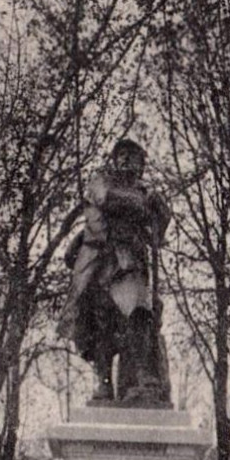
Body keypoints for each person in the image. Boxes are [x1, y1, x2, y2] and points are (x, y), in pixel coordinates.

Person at [58, 139, 172, 404]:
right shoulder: (100, 181)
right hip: (100, 260)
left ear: (142, 165)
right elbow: (106, 199)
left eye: (133, 157)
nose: (126, 161)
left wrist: (160, 209)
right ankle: (104, 383)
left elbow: (159, 227)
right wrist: (142, 202)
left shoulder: (147, 192)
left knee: (139, 313)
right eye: (121, 155)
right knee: (100, 320)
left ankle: (143, 379)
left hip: (129, 260)